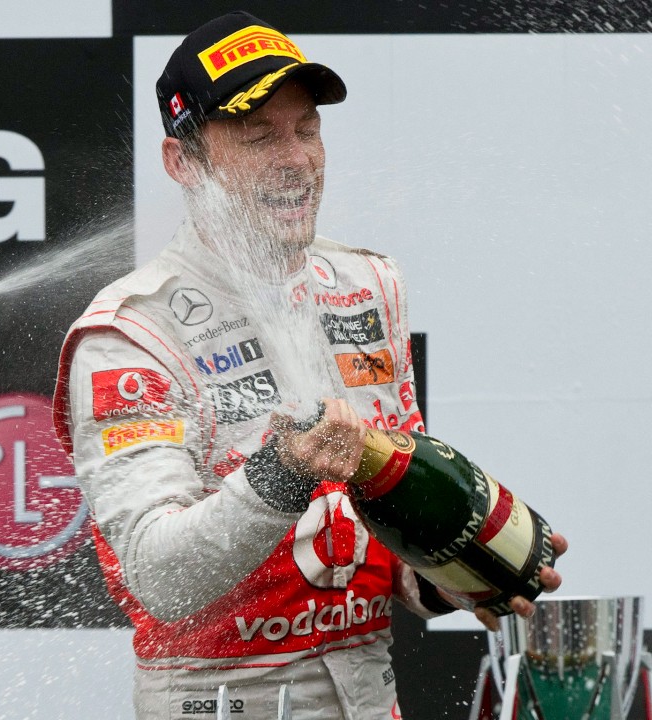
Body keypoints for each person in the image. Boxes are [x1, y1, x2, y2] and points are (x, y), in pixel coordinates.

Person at [52, 12, 565, 719]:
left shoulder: (367, 284)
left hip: (368, 692)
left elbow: (381, 523)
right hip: (222, 698)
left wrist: (450, 575)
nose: (294, 158)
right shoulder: (131, 333)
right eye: (259, 136)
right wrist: (283, 472)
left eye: (306, 130)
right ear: (183, 163)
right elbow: (158, 577)